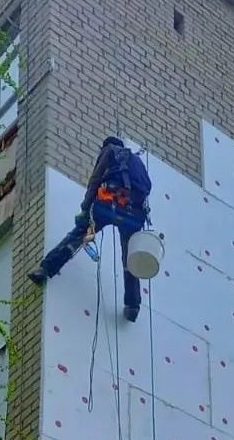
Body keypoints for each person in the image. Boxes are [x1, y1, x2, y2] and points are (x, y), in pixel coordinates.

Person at [29, 136, 152, 321]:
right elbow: (147, 189)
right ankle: (132, 306)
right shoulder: (139, 163)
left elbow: (96, 180)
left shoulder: (109, 150)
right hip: (133, 215)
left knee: (79, 235)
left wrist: (85, 208)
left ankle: (45, 270)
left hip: (107, 206)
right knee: (129, 259)